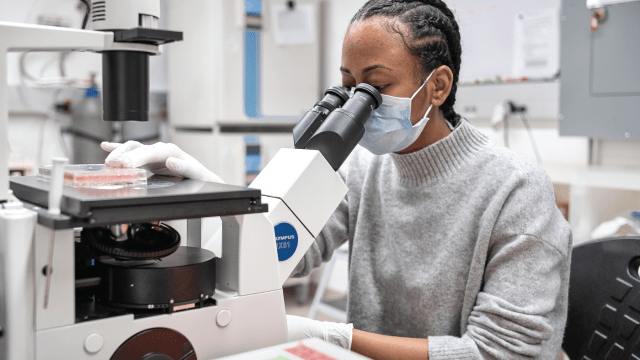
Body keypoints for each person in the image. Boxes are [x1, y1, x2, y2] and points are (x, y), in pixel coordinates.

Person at [102, 1, 572, 359]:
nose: (356, 102)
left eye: (376, 86)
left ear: (438, 86)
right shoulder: (365, 167)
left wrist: (331, 335)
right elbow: (280, 253)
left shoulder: (516, 188)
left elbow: (501, 353)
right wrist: (204, 191)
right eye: (347, 86)